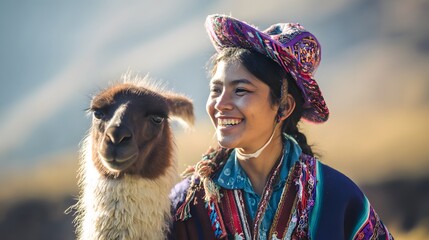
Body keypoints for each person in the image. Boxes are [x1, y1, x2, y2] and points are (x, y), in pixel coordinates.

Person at [170, 14, 393, 240]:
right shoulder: (188, 204)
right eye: (216, 90)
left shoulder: (337, 197)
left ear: (284, 106)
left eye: (240, 91)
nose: (220, 104)